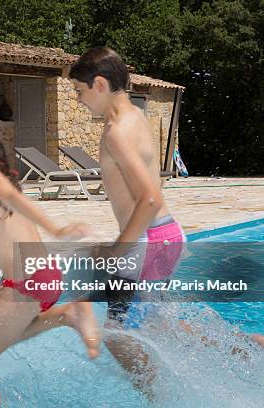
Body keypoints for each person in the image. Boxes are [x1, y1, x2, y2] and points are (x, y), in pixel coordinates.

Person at [0, 97, 101, 407]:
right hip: (34, 276)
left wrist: (57, 230)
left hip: (28, 281)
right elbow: (7, 233)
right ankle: (67, 314)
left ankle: (70, 313)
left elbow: (15, 199)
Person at [69, 47, 187, 399]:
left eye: (79, 91)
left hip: (147, 241)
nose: (77, 101)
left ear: (100, 84)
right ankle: (249, 346)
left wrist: (117, 250)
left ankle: (160, 400)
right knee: (158, 324)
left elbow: (148, 198)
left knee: (119, 335)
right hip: (163, 234)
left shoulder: (117, 132)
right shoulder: (135, 115)